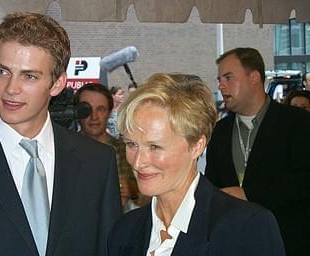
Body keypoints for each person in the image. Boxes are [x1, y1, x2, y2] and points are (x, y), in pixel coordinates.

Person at [0, 13, 121, 256]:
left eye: (29, 76)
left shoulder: (98, 162)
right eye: (2, 71)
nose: (10, 89)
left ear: (58, 83)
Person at [108, 73, 285, 256]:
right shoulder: (124, 231)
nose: (138, 161)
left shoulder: (246, 227)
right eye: (131, 144)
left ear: (196, 146)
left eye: (155, 147)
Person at [205, 47, 310, 256]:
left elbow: (304, 179)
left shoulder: (297, 123)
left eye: (228, 77)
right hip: (233, 244)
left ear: (254, 78)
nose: (220, 85)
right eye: (219, 79)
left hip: (288, 242)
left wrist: (249, 194)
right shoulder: (219, 132)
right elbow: (212, 185)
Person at [74, 83, 141, 212]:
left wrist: (131, 191)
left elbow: (143, 199)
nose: (94, 117)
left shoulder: (125, 151)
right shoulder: (61, 151)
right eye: (87, 109)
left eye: (101, 109)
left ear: (109, 112)